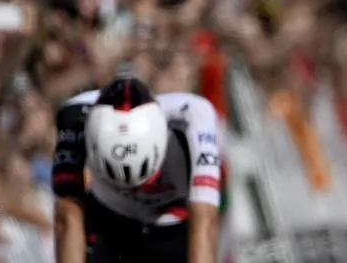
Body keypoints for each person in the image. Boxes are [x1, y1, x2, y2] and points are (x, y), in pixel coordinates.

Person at [51, 76, 222, 263]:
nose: (133, 188)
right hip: (109, 218)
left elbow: (205, 220)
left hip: (171, 222)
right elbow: (67, 214)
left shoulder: (195, 118)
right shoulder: (75, 119)